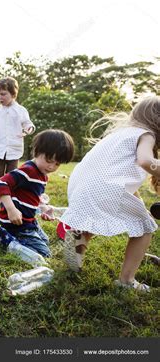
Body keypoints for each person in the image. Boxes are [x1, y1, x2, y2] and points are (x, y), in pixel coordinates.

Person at [61, 96, 160, 292]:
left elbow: (121, 174)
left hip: (79, 185)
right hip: (104, 189)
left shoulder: (121, 134)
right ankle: (126, 281)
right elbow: (145, 161)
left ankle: (78, 242)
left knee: (94, 215)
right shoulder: (147, 135)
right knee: (145, 228)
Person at [0, 129, 75, 257]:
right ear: (37, 151)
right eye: (49, 160)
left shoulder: (43, 175)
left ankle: (12, 237)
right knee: (44, 253)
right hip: (14, 223)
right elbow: (1, 183)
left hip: (28, 222)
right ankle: (3, 239)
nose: (52, 167)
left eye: (57, 164)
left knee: (45, 241)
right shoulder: (28, 171)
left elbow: (31, 196)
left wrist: (43, 208)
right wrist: (11, 209)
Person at [0, 77, 35, 182]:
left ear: (13, 94)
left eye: (3, 94)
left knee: (12, 176)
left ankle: (8, 194)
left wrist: (27, 130)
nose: (0, 97)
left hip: (14, 149)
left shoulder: (21, 110)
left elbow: (28, 125)